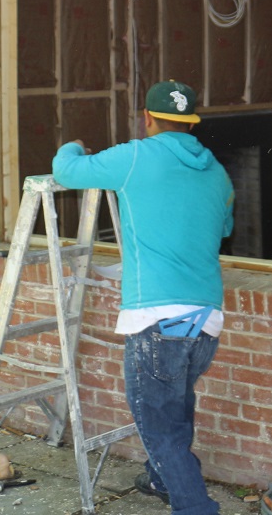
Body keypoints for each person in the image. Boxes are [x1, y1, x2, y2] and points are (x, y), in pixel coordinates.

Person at [52, 80, 233, 515]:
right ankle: (159, 479)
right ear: (191, 122)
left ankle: (195, 508)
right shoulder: (218, 171)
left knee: (157, 425)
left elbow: (67, 172)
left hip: (157, 319)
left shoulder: (135, 156)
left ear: (147, 118)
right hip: (206, 319)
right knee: (177, 405)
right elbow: (223, 229)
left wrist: (71, 145)